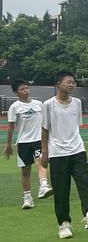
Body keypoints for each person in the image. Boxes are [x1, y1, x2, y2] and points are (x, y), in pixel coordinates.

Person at [40, 71, 88, 239]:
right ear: (59, 84)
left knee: (84, 183)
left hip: (78, 151)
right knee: (61, 191)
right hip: (57, 154)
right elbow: (44, 130)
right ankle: (64, 224)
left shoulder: (77, 103)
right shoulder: (48, 105)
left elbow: (76, 127)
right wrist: (45, 152)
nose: (73, 85)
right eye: (69, 82)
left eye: (74, 82)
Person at [3, 80, 52, 209]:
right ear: (16, 92)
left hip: (38, 140)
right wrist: (8, 145)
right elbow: (11, 127)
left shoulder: (38, 104)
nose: (26, 90)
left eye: (27, 88)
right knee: (25, 172)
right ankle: (27, 198)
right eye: (22, 89)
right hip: (23, 142)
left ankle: (43, 186)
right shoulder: (14, 107)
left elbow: (45, 122)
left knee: (41, 162)